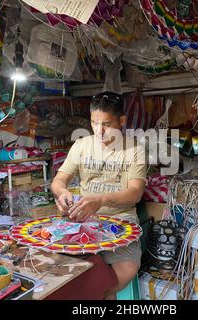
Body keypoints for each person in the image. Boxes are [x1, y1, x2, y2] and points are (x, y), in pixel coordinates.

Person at [51, 91, 147, 300]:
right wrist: (63, 193)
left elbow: (135, 193)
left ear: (121, 121)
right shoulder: (81, 145)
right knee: (59, 271)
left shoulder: (135, 150)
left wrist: (101, 200)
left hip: (121, 222)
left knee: (127, 269)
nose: (99, 130)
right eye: (94, 123)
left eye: (106, 124)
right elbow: (58, 181)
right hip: (82, 219)